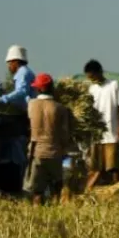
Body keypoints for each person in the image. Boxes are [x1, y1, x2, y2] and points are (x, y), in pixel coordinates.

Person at [0, 46, 35, 196]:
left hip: (26, 116)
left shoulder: (23, 73)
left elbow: (21, 92)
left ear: (15, 62)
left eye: (9, 63)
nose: (9, 67)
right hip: (25, 114)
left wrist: (1, 100)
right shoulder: (25, 72)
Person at [24, 72, 77, 205]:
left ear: (39, 89)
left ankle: (37, 211)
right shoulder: (60, 108)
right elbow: (65, 134)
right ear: (51, 88)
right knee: (56, 188)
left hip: (36, 152)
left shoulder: (31, 105)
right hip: (55, 152)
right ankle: (55, 208)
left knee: (37, 191)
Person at [84, 59, 119, 188]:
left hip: (112, 133)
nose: (92, 80)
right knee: (96, 168)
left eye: (93, 77)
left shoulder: (114, 85)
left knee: (113, 167)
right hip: (96, 135)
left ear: (99, 72)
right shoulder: (91, 89)